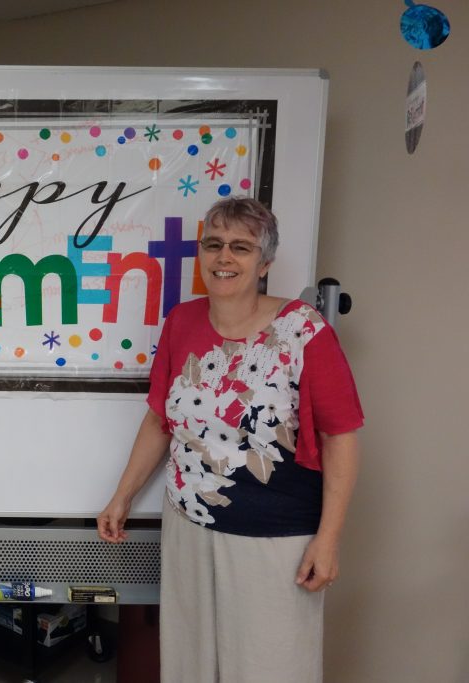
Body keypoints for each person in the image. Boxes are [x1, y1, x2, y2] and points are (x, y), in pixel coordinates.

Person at [97, 197, 363, 682]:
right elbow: (160, 419)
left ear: (265, 263)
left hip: (275, 538)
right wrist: (123, 495)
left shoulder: (305, 332)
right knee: (191, 663)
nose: (224, 258)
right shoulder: (182, 321)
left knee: (270, 667)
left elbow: (340, 436)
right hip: (189, 526)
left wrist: (329, 540)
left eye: (241, 247)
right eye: (214, 244)